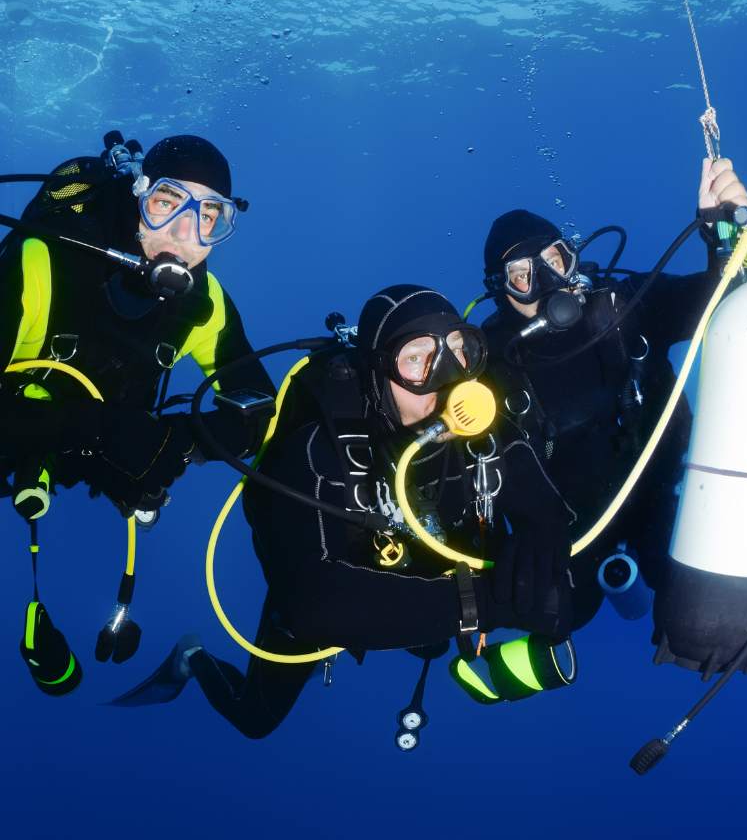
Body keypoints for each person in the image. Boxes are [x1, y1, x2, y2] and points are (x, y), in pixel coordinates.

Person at [110, 285, 575, 738]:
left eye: (460, 351)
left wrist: (543, 551)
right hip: (329, 581)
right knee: (254, 718)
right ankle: (191, 658)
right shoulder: (317, 449)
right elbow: (315, 606)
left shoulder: (485, 429)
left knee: (433, 640)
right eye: (416, 360)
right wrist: (487, 604)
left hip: (426, 579)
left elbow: (548, 511)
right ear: (375, 373)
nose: (447, 379)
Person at [478, 158, 747, 628]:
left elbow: (725, 296)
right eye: (523, 275)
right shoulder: (493, 367)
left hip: (663, 497)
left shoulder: (624, 308)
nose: (545, 284)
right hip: (570, 535)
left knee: (694, 614)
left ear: (572, 257)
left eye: (553, 261)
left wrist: (725, 231)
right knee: (557, 618)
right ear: (500, 292)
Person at [0, 133, 275, 520]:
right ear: (139, 197)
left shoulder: (205, 303)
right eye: (167, 203)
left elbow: (261, 410)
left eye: (208, 217)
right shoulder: (42, 262)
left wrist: (177, 442)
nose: (184, 235)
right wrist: (96, 429)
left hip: (96, 460)